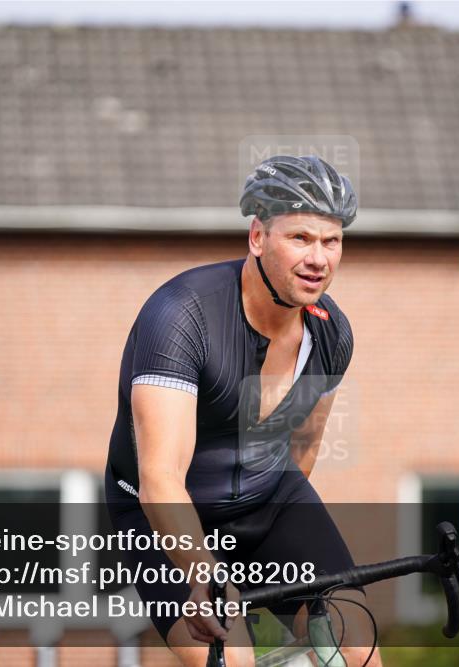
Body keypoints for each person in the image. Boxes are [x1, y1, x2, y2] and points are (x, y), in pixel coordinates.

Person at [105, 155, 382, 666]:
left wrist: (282, 555)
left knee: (354, 646)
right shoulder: (181, 315)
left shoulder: (331, 333)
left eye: (332, 241)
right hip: (159, 512)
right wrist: (207, 573)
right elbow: (160, 477)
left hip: (266, 499)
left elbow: (302, 450)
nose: (319, 258)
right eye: (300, 238)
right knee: (231, 659)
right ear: (257, 237)